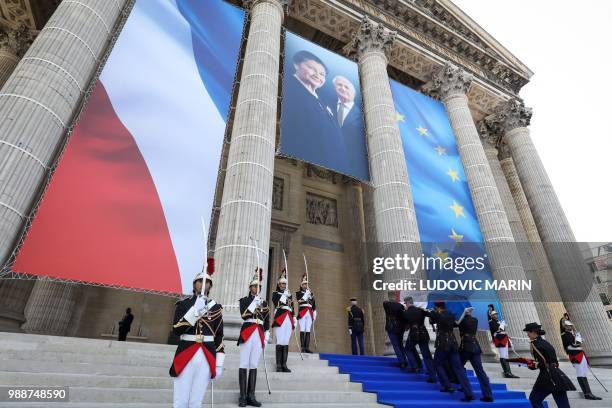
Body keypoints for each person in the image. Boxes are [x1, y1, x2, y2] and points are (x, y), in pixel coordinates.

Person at [169, 258, 225, 408]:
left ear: (210, 285)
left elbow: (219, 335)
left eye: (206, 281)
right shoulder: (183, 304)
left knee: (196, 401)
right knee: (181, 400)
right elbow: (176, 329)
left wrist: (219, 364)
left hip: (207, 353)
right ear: (194, 284)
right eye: (200, 281)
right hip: (187, 351)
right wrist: (194, 311)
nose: (203, 284)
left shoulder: (216, 308)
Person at [281, 50, 346, 171]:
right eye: (311, 68)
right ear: (296, 65)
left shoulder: (323, 99)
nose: (317, 75)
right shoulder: (287, 87)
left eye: (322, 74)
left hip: (332, 164)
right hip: (300, 159)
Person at [429, 301, 474, 401]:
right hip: (453, 342)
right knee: (458, 368)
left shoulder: (437, 314)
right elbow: (457, 323)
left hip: (443, 342)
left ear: (438, 308)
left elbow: (430, 318)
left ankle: (447, 385)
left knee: (437, 363)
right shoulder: (451, 314)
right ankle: (468, 392)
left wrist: (430, 311)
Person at [237, 268, 270, 407]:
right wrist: (253, 304)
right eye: (254, 286)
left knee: (254, 365)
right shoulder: (244, 300)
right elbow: (244, 315)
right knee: (244, 363)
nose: (257, 288)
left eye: (259, 286)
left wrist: (266, 335)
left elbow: (267, 320)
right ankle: (243, 396)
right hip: (248, 331)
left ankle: (251, 395)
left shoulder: (264, 303)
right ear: (250, 287)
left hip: (259, 333)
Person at [524, 322, 575, 408]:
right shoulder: (545, 343)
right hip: (557, 374)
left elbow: (542, 363)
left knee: (534, 399)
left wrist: (532, 365)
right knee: (563, 404)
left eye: (528, 332)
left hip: (547, 376)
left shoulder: (535, 344)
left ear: (533, 332)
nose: (527, 334)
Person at [457, 307, 494, 402]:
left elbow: (456, 324)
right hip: (475, 346)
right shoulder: (475, 320)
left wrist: (462, 314)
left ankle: (467, 391)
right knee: (480, 371)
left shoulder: (462, 321)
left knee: (459, 367)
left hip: (465, 346)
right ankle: (488, 395)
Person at [560, 320, 601, 400]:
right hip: (575, 355)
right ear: (565, 327)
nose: (570, 327)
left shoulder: (572, 334)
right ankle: (587, 393)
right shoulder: (565, 335)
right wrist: (578, 342)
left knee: (584, 373)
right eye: (568, 326)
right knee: (580, 374)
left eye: (571, 326)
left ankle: (589, 393)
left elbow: (577, 343)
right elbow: (570, 346)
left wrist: (578, 338)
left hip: (580, 354)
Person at [402, 296, 434, 381]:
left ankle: (415, 367)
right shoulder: (420, 310)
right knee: (426, 355)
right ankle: (432, 374)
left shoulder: (405, 313)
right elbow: (431, 315)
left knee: (407, 349)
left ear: (407, 303)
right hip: (423, 333)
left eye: (405, 303)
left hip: (414, 334)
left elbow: (406, 326)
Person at [271, 268, 295, 372]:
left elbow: (292, 307)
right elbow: (276, 303)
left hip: (288, 318)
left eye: (284, 284)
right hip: (280, 317)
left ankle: (284, 364)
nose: (283, 286)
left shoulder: (289, 294)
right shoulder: (275, 294)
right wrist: (284, 296)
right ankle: (278, 365)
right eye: (281, 284)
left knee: (286, 341)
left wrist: (294, 317)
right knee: (280, 341)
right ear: (278, 285)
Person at [489, 310, 519, 378]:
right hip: (499, 340)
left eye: (496, 314)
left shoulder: (498, 322)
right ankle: (507, 372)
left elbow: (503, 330)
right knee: (503, 355)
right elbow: (497, 330)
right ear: (491, 316)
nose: (496, 315)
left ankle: (509, 372)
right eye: (494, 314)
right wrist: (502, 324)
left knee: (506, 355)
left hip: (504, 338)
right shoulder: (491, 322)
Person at [383, 292, 407, 369]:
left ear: (389, 297)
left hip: (391, 327)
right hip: (400, 328)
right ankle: (404, 360)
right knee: (400, 345)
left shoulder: (386, 304)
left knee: (396, 345)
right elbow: (403, 317)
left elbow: (385, 302)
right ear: (396, 297)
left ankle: (402, 362)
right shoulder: (400, 306)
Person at [296, 273, 316, 353]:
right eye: (304, 284)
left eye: (306, 284)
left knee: (308, 330)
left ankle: (307, 347)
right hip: (303, 311)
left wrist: (314, 312)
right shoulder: (298, 293)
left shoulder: (310, 293)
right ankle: (302, 347)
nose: (305, 285)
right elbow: (299, 300)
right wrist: (305, 295)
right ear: (301, 285)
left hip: (309, 312)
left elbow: (313, 304)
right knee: (302, 329)